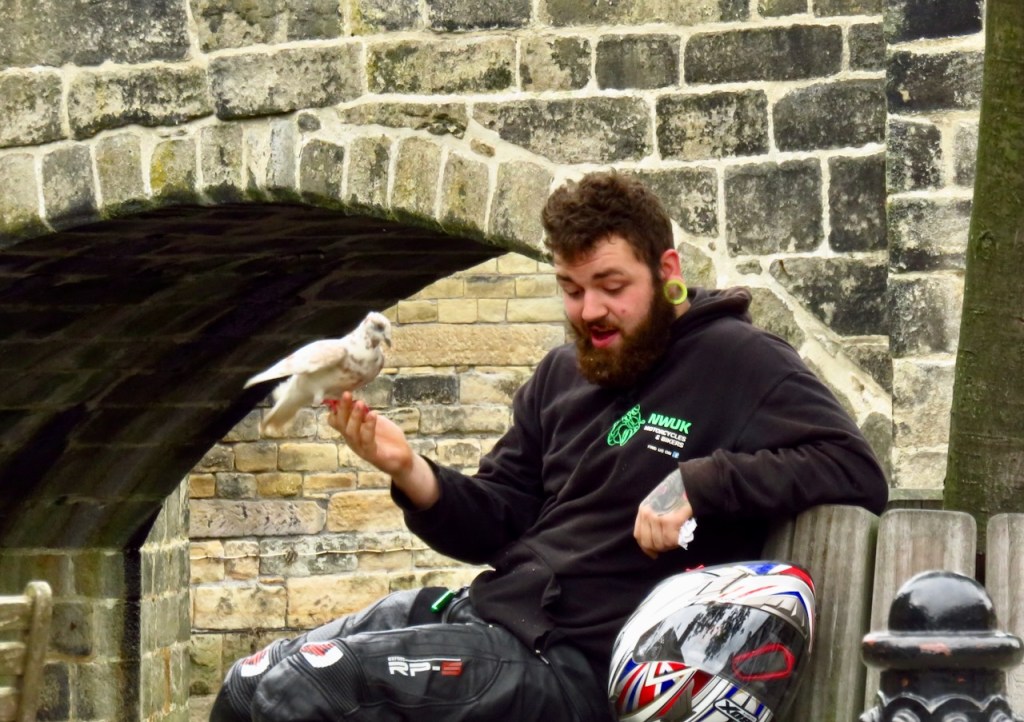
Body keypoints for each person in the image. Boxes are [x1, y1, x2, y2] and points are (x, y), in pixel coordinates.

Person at [211, 171, 888, 722]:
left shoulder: (739, 361)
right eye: (571, 289)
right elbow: (499, 517)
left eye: (611, 287)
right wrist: (412, 470)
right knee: (247, 690)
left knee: (297, 694)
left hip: (570, 663)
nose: (589, 310)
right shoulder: (561, 375)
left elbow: (855, 470)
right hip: (489, 620)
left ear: (667, 271)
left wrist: (698, 484)